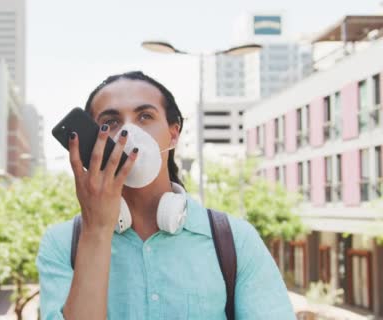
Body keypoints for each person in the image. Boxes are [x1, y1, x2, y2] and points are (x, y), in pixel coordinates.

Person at [37, 71, 294, 319]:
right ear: (93, 141)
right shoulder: (61, 244)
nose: (129, 132)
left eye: (145, 116)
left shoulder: (235, 240)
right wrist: (96, 230)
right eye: (111, 122)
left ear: (173, 133)